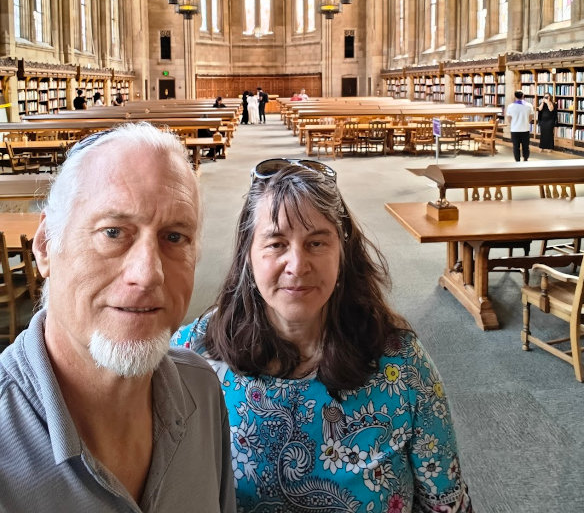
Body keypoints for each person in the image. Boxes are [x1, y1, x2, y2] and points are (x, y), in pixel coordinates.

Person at [173, 159, 472, 513]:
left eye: (316, 243)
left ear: (343, 253)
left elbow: (446, 503)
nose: (297, 265)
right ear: (248, 256)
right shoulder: (191, 358)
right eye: (276, 243)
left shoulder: (402, 363)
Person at [0, 123, 235, 512]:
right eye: (113, 232)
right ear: (45, 247)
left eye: (174, 237)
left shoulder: (204, 391)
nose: (147, 274)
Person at [506, 90, 535, 162]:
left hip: (515, 129)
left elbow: (509, 119)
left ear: (515, 96)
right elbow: (531, 117)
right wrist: (525, 121)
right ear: (523, 96)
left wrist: (515, 122)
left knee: (516, 147)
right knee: (526, 146)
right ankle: (525, 159)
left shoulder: (510, 106)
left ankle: (517, 161)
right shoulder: (529, 105)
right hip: (525, 129)